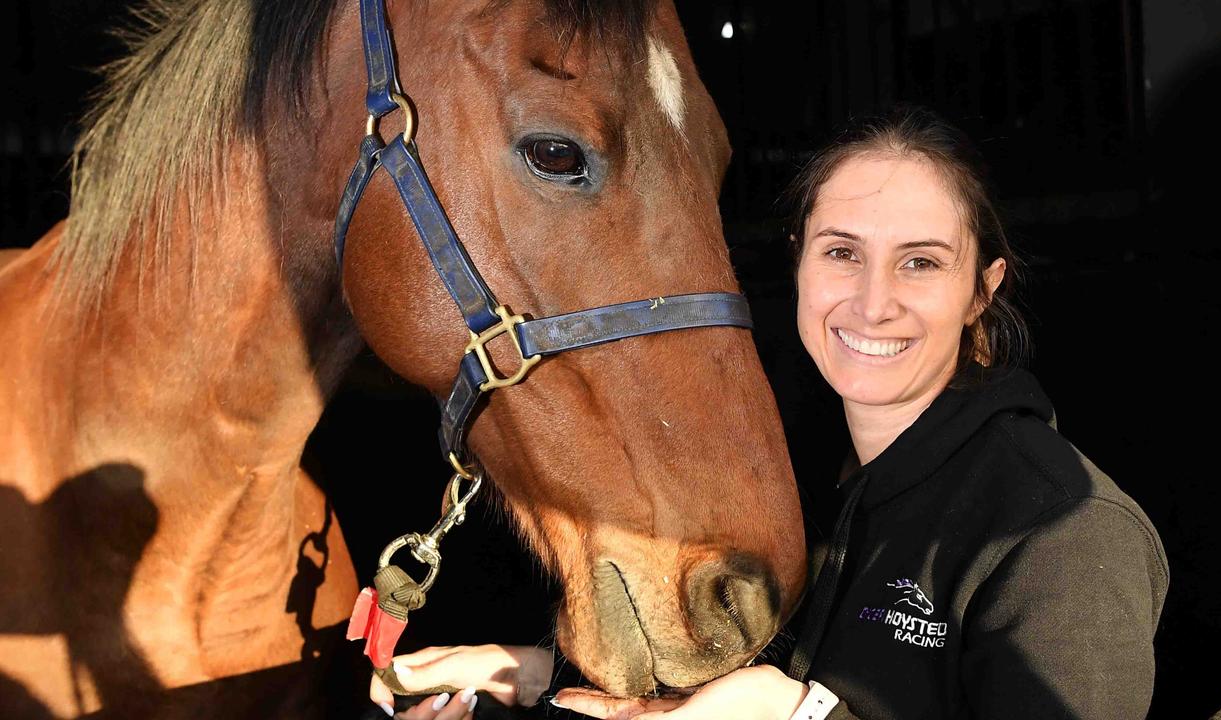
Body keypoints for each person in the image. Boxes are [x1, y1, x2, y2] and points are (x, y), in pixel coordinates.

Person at [370, 106, 1170, 720]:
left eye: (920, 262)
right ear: (799, 260)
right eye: (842, 252)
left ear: (982, 291)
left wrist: (800, 714)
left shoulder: (1066, 532)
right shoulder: (805, 471)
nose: (872, 302)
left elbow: (786, 701)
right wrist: (520, 678)